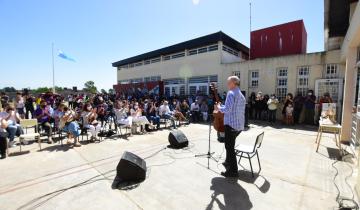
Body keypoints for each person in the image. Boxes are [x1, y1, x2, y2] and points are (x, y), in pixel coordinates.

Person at [215, 76, 245, 178]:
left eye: (228, 82)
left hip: (231, 125)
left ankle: (233, 171)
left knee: (229, 148)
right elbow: (232, 109)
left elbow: (227, 110)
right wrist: (222, 107)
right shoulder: (241, 94)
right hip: (239, 125)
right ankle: (228, 163)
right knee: (230, 146)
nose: (227, 84)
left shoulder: (231, 93)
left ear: (233, 83)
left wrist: (219, 107)